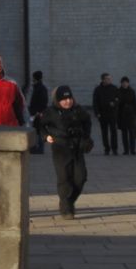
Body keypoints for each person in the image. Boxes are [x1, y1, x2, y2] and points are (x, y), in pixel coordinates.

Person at [37, 85, 96, 218]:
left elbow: (87, 121)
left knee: (81, 178)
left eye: (69, 98)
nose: (67, 101)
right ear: (58, 100)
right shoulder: (50, 112)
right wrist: (46, 136)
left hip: (77, 149)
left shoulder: (78, 110)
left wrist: (86, 136)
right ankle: (66, 209)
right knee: (64, 179)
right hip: (60, 149)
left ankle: (69, 201)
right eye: (64, 99)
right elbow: (40, 126)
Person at [91, 73, 120, 155]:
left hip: (112, 114)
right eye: (107, 78)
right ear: (103, 80)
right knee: (104, 132)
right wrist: (97, 113)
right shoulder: (98, 89)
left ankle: (114, 149)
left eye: (110, 78)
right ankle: (106, 148)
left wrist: (114, 103)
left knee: (113, 131)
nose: (109, 80)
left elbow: (118, 99)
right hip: (102, 114)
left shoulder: (114, 88)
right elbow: (95, 102)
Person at [116, 77, 136, 155]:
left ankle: (133, 149)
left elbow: (135, 102)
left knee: (132, 133)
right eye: (123, 82)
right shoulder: (118, 91)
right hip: (121, 114)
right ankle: (126, 150)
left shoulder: (132, 91)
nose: (125, 84)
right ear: (121, 83)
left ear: (128, 83)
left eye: (126, 82)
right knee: (124, 133)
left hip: (131, 114)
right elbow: (117, 103)